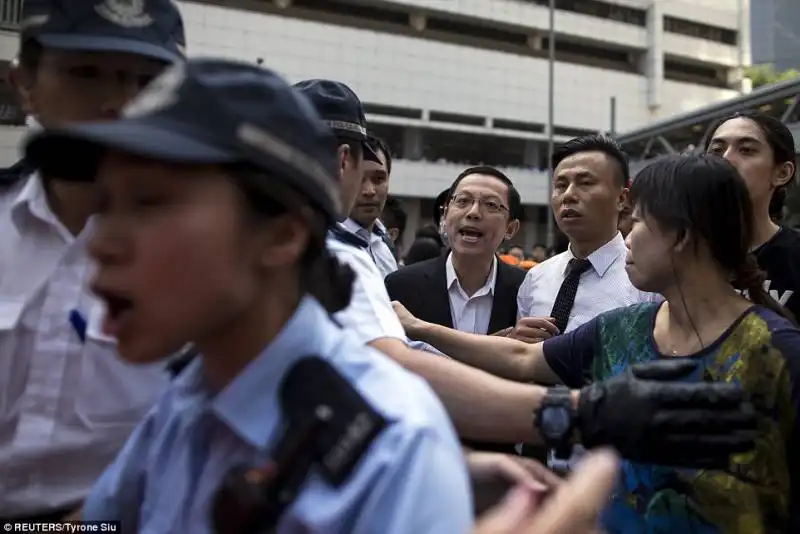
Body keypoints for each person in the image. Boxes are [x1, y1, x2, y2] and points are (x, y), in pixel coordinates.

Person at [25, 58, 473, 533]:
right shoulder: (189, 394)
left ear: (282, 234)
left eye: (149, 202)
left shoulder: (392, 454)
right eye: (105, 204)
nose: (100, 244)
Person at [396, 154, 800, 532]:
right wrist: (419, 328)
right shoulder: (620, 330)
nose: (627, 237)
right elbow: (521, 357)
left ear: (681, 235)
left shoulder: (779, 352)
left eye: (638, 222)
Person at [0, 0, 185, 521]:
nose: (116, 103)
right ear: (24, 84)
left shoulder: (198, 262)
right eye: (86, 73)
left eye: (146, 82)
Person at [513, 134, 656, 346]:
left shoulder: (649, 283)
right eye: (560, 185)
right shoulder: (535, 278)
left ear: (621, 199)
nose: (568, 195)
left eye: (585, 183)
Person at [705, 111, 800, 320]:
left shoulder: (794, 256)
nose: (726, 159)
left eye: (746, 150)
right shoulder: (681, 252)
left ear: (782, 173)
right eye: (717, 150)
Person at [342, 135, 398, 277]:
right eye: (359, 178)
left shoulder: (385, 247)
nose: (369, 191)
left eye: (379, 179)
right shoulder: (322, 246)